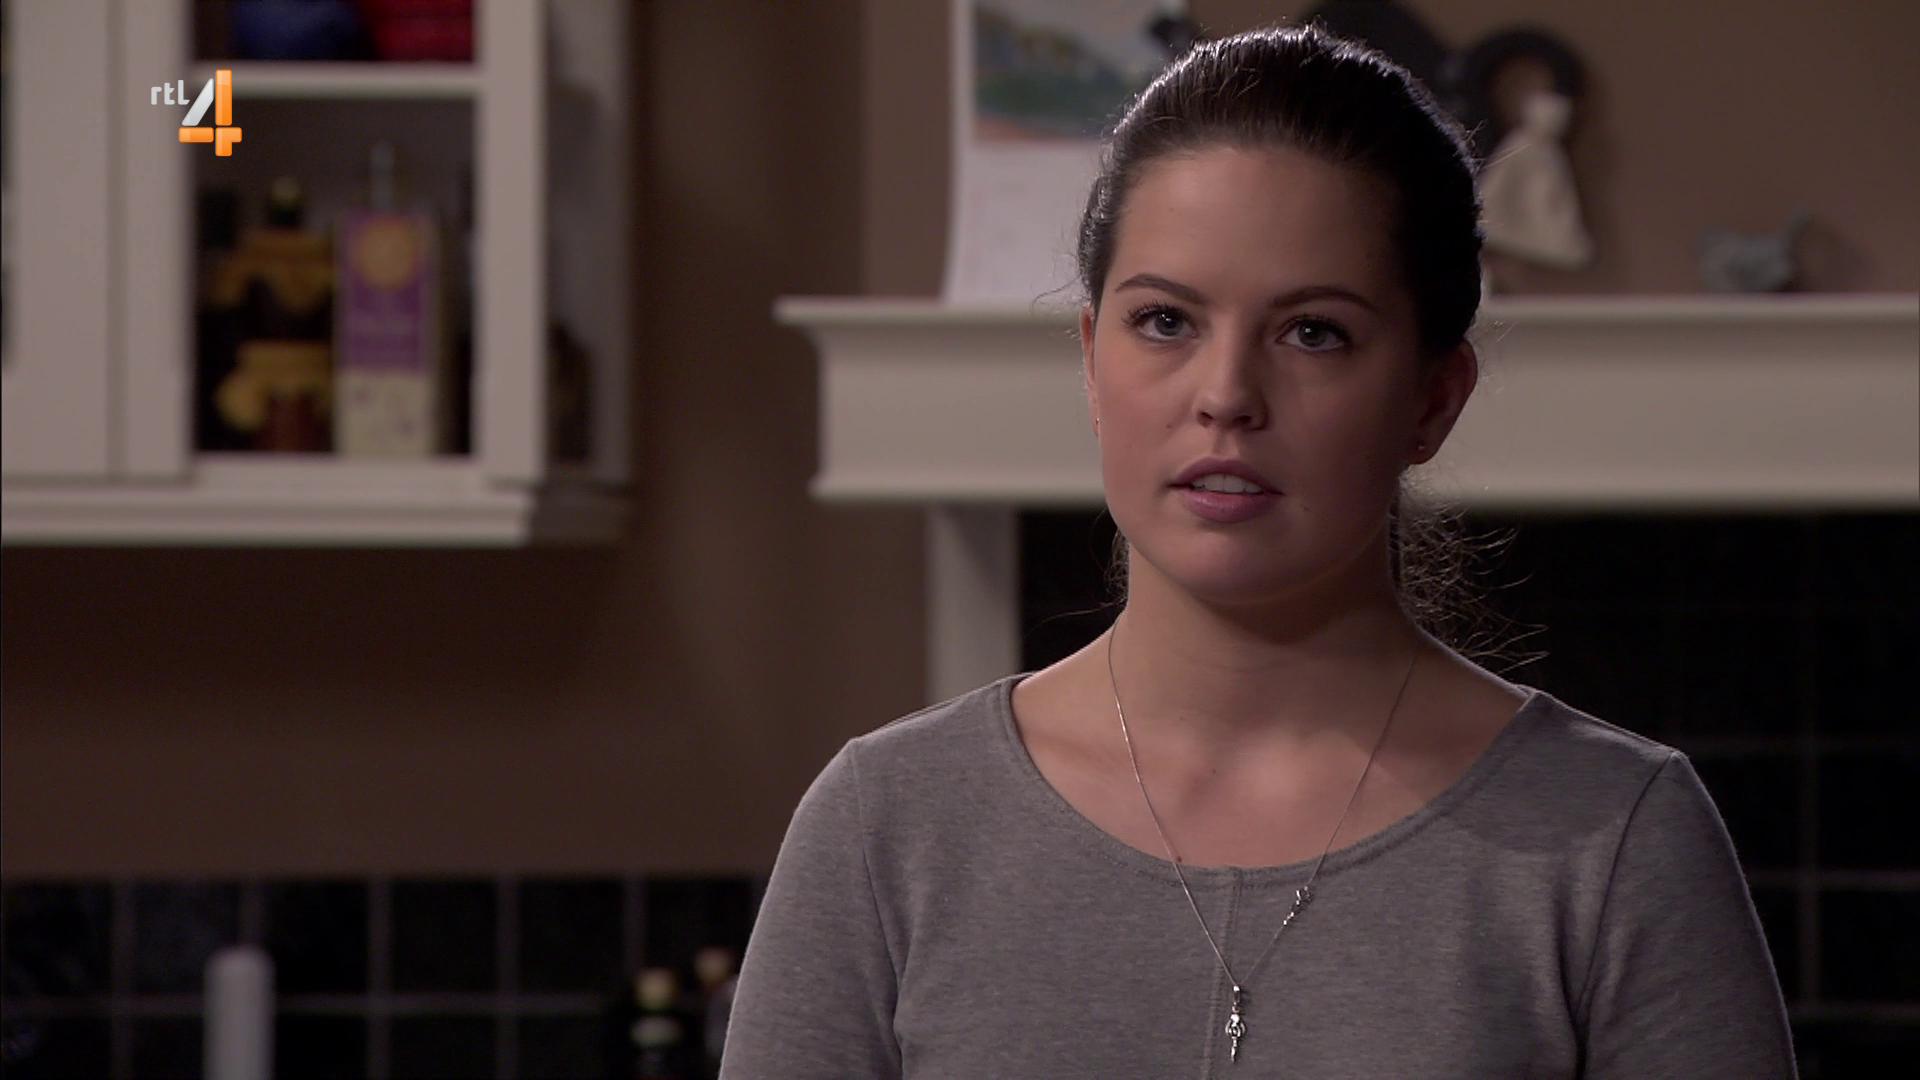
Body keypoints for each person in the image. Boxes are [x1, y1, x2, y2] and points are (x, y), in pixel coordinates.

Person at [720, 23, 1796, 1079]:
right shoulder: (888, 826)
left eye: (1313, 332)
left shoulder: (1614, 835)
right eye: (1166, 322)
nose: (1227, 395)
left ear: (1433, 399)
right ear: (1092, 360)